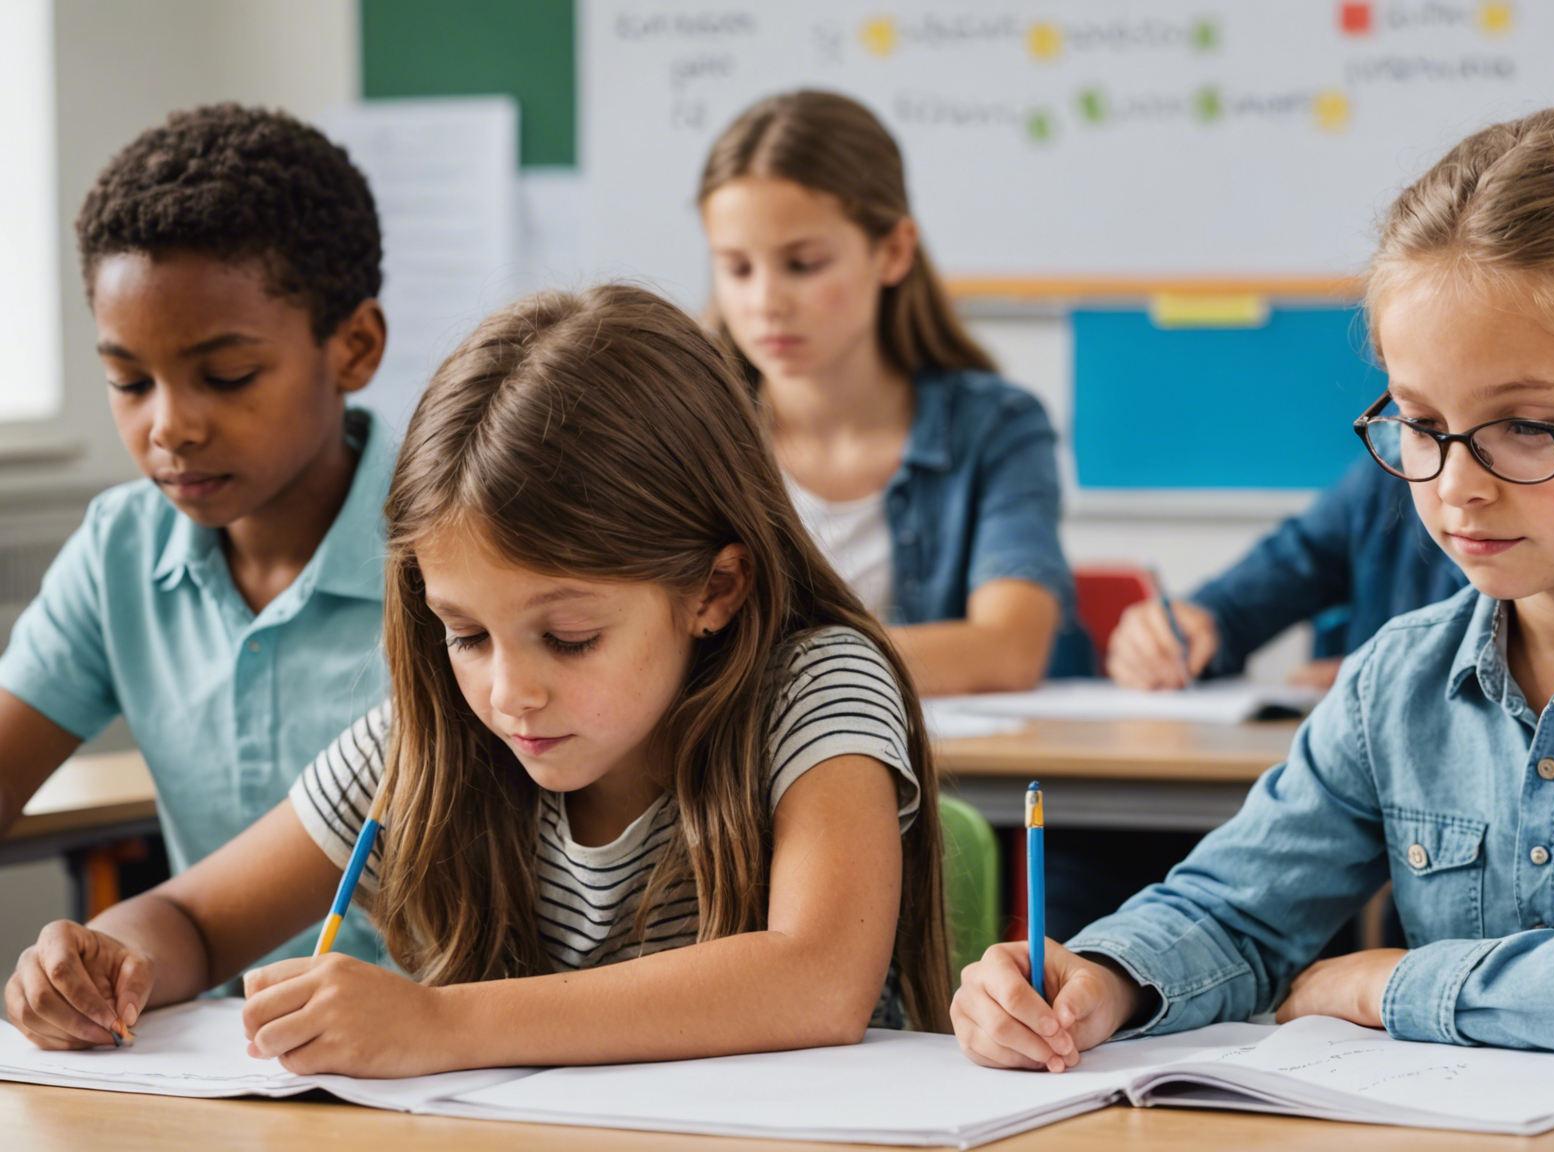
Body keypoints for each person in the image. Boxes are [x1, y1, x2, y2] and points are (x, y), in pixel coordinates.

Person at [953, 107, 1554, 1071]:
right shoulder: (1398, 678)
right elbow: (1234, 907)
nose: (1456, 484)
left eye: (1528, 425)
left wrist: (1387, 983)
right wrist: (1098, 980)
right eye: (1419, 421)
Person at [6, 286, 949, 1075]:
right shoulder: (428, 743)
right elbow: (192, 920)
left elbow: (815, 979)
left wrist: (445, 1025)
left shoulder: (815, 685)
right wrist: (106, 960)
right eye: (465, 635)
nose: (509, 692)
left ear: (715, 588)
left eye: (570, 638)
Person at [0, 104, 394, 971]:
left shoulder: (466, 543)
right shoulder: (123, 550)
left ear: (354, 347)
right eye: (128, 381)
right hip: (227, 1059)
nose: (170, 427)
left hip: (462, 1052)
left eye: (227, 376)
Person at [698, 89, 1089, 695]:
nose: (764, 303)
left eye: (803, 264)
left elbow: (1009, 650)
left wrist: (775, 665)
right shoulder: (689, 429)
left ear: (894, 251)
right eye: (737, 268)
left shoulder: (997, 427)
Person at [1107, 458, 1467, 692]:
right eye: (1423, 423)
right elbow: (1295, 558)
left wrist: (1395, 675)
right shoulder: (1386, 470)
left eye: (1519, 426)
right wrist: (1195, 624)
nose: (1455, 486)